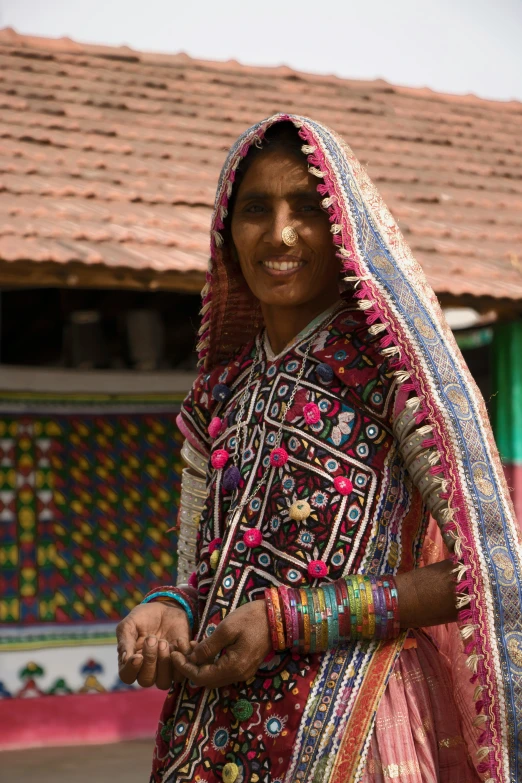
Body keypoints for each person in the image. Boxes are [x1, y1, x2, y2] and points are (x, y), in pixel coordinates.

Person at [116, 115, 522, 783]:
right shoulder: (221, 393)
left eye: (306, 208)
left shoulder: (401, 379)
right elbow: (204, 572)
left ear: (343, 228)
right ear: (228, 232)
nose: (279, 233)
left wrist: (289, 620)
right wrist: (170, 610)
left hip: (359, 725)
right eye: (256, 210)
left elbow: (483, 571)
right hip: (215, 731)